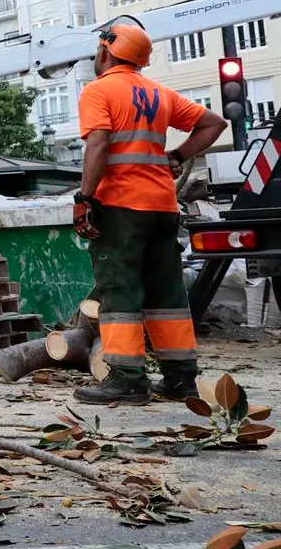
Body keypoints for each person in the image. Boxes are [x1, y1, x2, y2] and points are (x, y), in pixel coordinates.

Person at [72, 23, 229, 404]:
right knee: (167, 294)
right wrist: (177, 155)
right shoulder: (159, 94)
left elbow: (98, 143)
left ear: (106, 52)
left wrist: (85, 198)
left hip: (122, 206)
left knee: (119, 290)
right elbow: (214, 123)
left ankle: (127, 379)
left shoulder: (98, 90)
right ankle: (180, 378)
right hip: (162, 206)